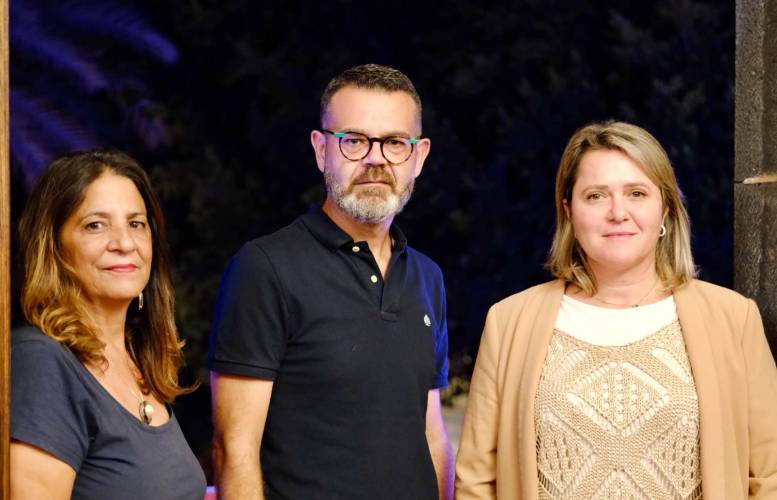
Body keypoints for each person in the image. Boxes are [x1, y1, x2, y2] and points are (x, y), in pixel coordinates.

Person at [454, 121, 777, 499]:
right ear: (569, 211)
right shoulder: (509, 322)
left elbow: (770, 475)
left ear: (665, 209)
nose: (618, 212)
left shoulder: (733, 319)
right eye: (596, 196)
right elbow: (476, 482)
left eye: (637, 193)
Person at [209, 63, 453, 500]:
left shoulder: (427, 278)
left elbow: (431, 434)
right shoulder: (265, 268)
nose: (376, 159)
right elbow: (234, 450)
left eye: (395, 143)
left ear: (419, 157)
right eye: (354, 141)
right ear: (321, 150)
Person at [10, 151, 206, 500]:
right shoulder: (41, 361)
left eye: (136, 224)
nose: (124, 243)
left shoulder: (137, 361)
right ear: (53, 246)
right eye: (95, 225)